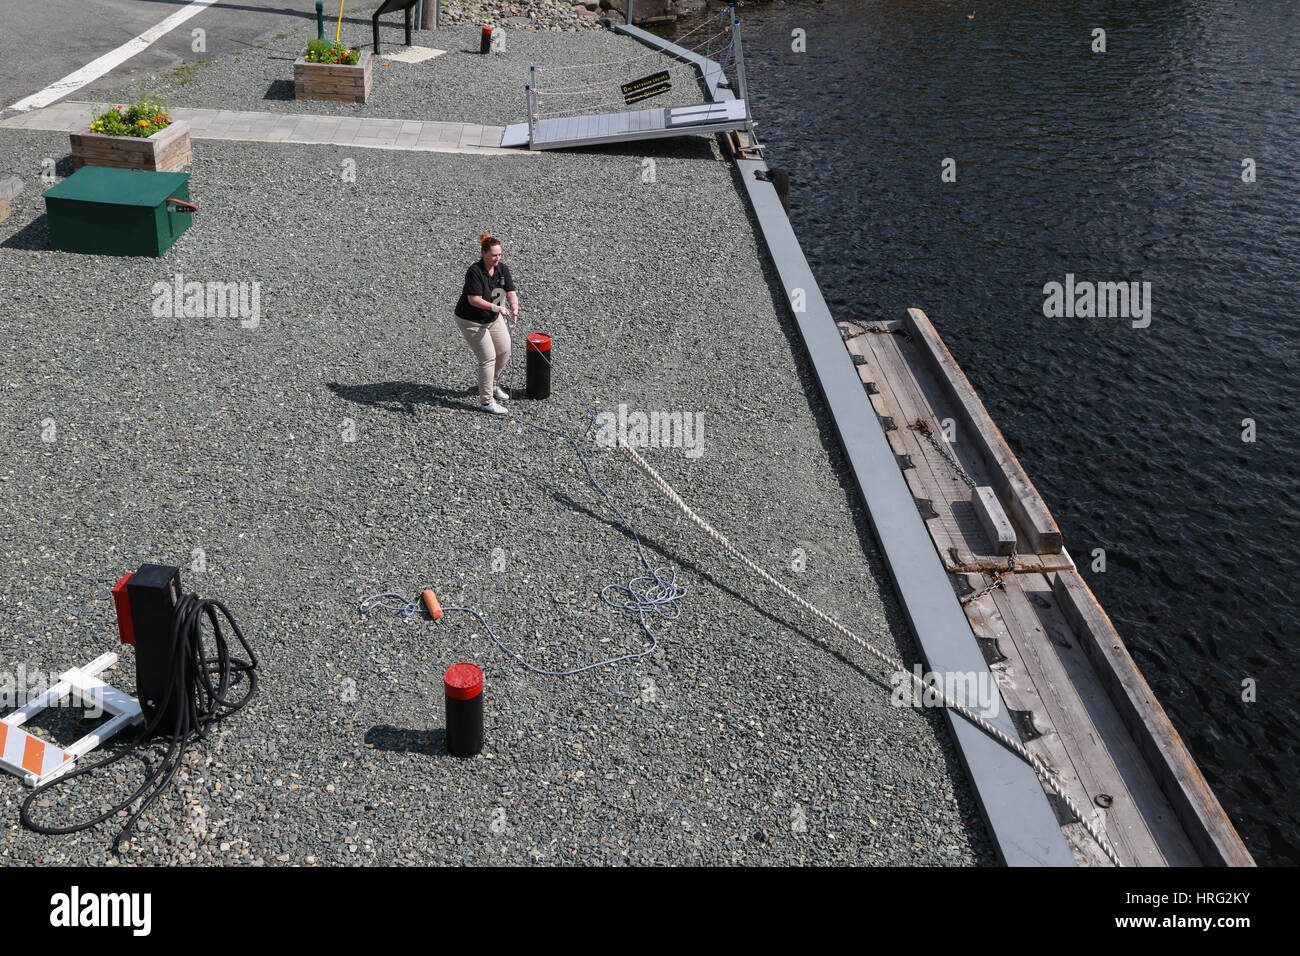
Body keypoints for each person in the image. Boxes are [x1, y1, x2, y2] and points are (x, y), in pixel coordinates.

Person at [453, 234, 520, 414]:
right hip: (471, 321)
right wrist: (496, 307)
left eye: (499, 255)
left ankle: (493, 384)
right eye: (493, 255)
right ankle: (486, 402)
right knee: (488, 358)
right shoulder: (474, 271)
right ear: (484, 253)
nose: (497, 258)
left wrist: (514, 307)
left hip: (492, 318)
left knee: (505, 350)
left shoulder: (502, 269)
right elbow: (473, 299)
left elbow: (511, 291)